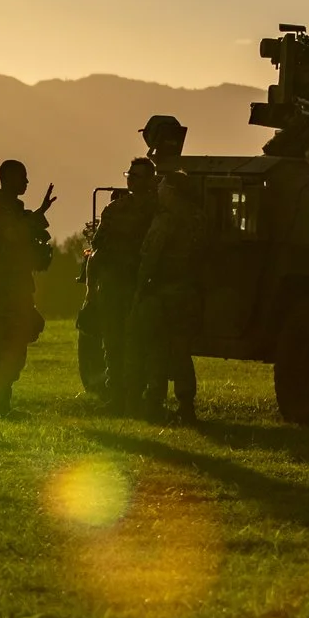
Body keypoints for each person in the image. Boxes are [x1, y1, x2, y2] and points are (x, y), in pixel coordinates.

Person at [0, 158, 54, 416]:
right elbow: (14, 234)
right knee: (8, 342)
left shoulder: (12, 210)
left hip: (17, 284)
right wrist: (37, 218)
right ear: (7, 179)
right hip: (5, 286)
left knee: (18, 340)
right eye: (22, 177)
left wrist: (38, 214)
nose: (27, 182)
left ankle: (1, 402)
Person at [78, 157, 157, 412]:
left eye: (137, 175)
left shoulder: (154, 212)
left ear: (150, 180)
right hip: (118, 286)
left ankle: (131, 397)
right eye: (130, 174)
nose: (132, 179)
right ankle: (122, 398)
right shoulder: (120, 210)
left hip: (139, 286)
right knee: (114, 343)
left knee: (134, 344)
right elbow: (99, 246)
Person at [133, 147, 203, 425]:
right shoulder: (198, 218)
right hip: (189, 292)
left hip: (165, 294)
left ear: (171, 192)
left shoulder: (166, 220)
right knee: (182, 352)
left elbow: (150, 257)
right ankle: (186, 405)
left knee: (158, 349)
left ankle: (154, 403)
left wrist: (139, 290)